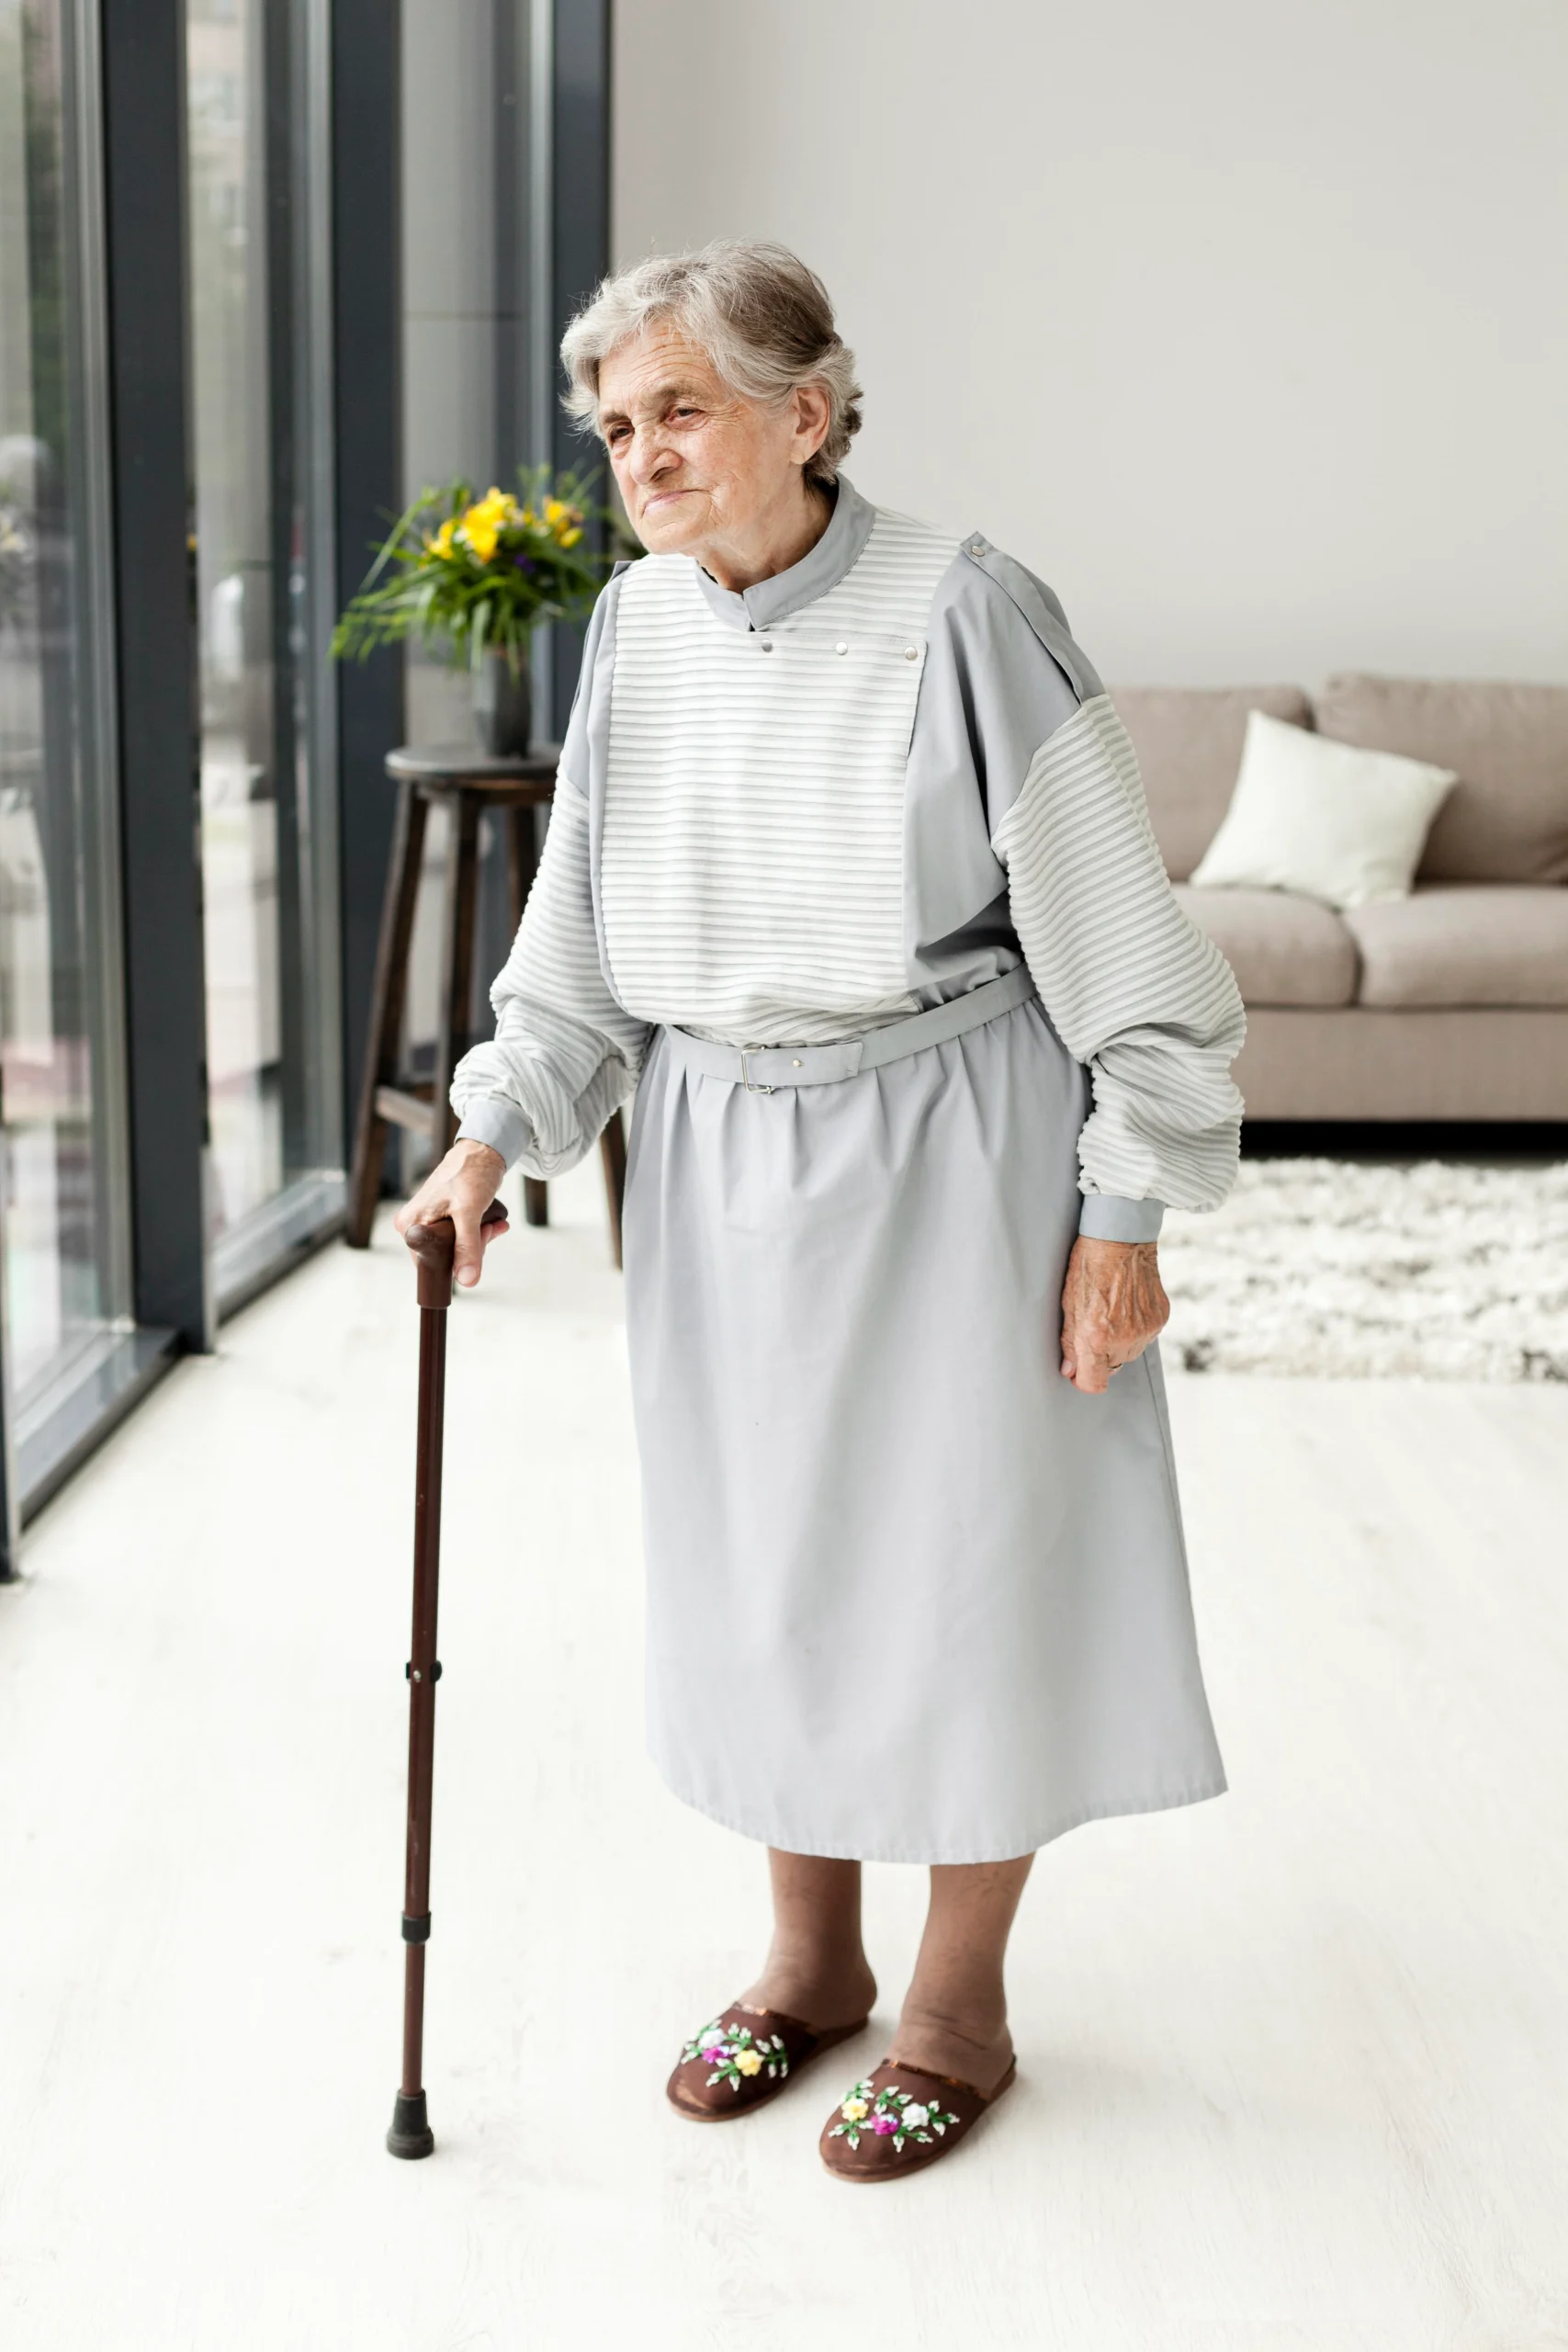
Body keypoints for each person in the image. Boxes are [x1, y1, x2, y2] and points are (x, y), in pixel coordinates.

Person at [396, 239, 1245, 2184]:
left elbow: (1124, 939)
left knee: (962, 1570)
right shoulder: (634, 626)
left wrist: (1121, 1206)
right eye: (617, 429)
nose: (643, 457)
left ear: (807, 407)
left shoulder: (967, 609)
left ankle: (956, 2005)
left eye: (677, 410)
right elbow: (581, 933)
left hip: (950, 1129)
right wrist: (489, 1131)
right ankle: (810, 1961)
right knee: (765, 1563)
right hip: (709, 1156)